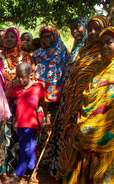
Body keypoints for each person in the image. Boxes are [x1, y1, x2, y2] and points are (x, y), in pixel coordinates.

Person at [56, 16, 109, 180]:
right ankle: (65, 172)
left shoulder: (104, 54)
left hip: (92, 108)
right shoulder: (84, 50)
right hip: (72, 102)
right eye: (90, 28)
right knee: (69, 138)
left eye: (97, 29)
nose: (93, 32)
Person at [0, 27, 34, 176]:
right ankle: (8, 167)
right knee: (7, 134)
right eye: (6, 37)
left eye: (12, 37)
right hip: (4, 101)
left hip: (23, 103)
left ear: (18, 40)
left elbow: (32, 78)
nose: (8, 39)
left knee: (21, 135)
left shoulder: (26, 57)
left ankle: (24, 168)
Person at [49, 17, 88, 177]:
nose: (74, 31)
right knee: (63, 132)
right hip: (67, 98)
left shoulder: (89, 49)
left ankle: (71, 172)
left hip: (79, 99)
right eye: (72, 28)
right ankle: (60, 169)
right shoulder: (75, 48)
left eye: (77, 27)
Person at [5, 63, 51, 183]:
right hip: (19, 124)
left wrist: (48, 119)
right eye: (18, 77)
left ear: (30, 75)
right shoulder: (17, 89)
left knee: (26, 149)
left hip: (31, 125)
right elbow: (6, 94)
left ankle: (18, 174)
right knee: (27, 149)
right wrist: (12, 86)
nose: (20, 80)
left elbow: (43, 103)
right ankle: (32, 169)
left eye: (23, 77)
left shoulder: (38, 87)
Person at [32, 25, 69, 171]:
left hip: (55, 101)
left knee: (49, 132)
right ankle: (33, 161)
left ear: (55, 36)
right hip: (36, 99)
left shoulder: (62, 52)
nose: (46, 40)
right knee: (37, 130)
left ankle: (44, 163)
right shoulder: (37, 53)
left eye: (49, 36)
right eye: (43, 37)